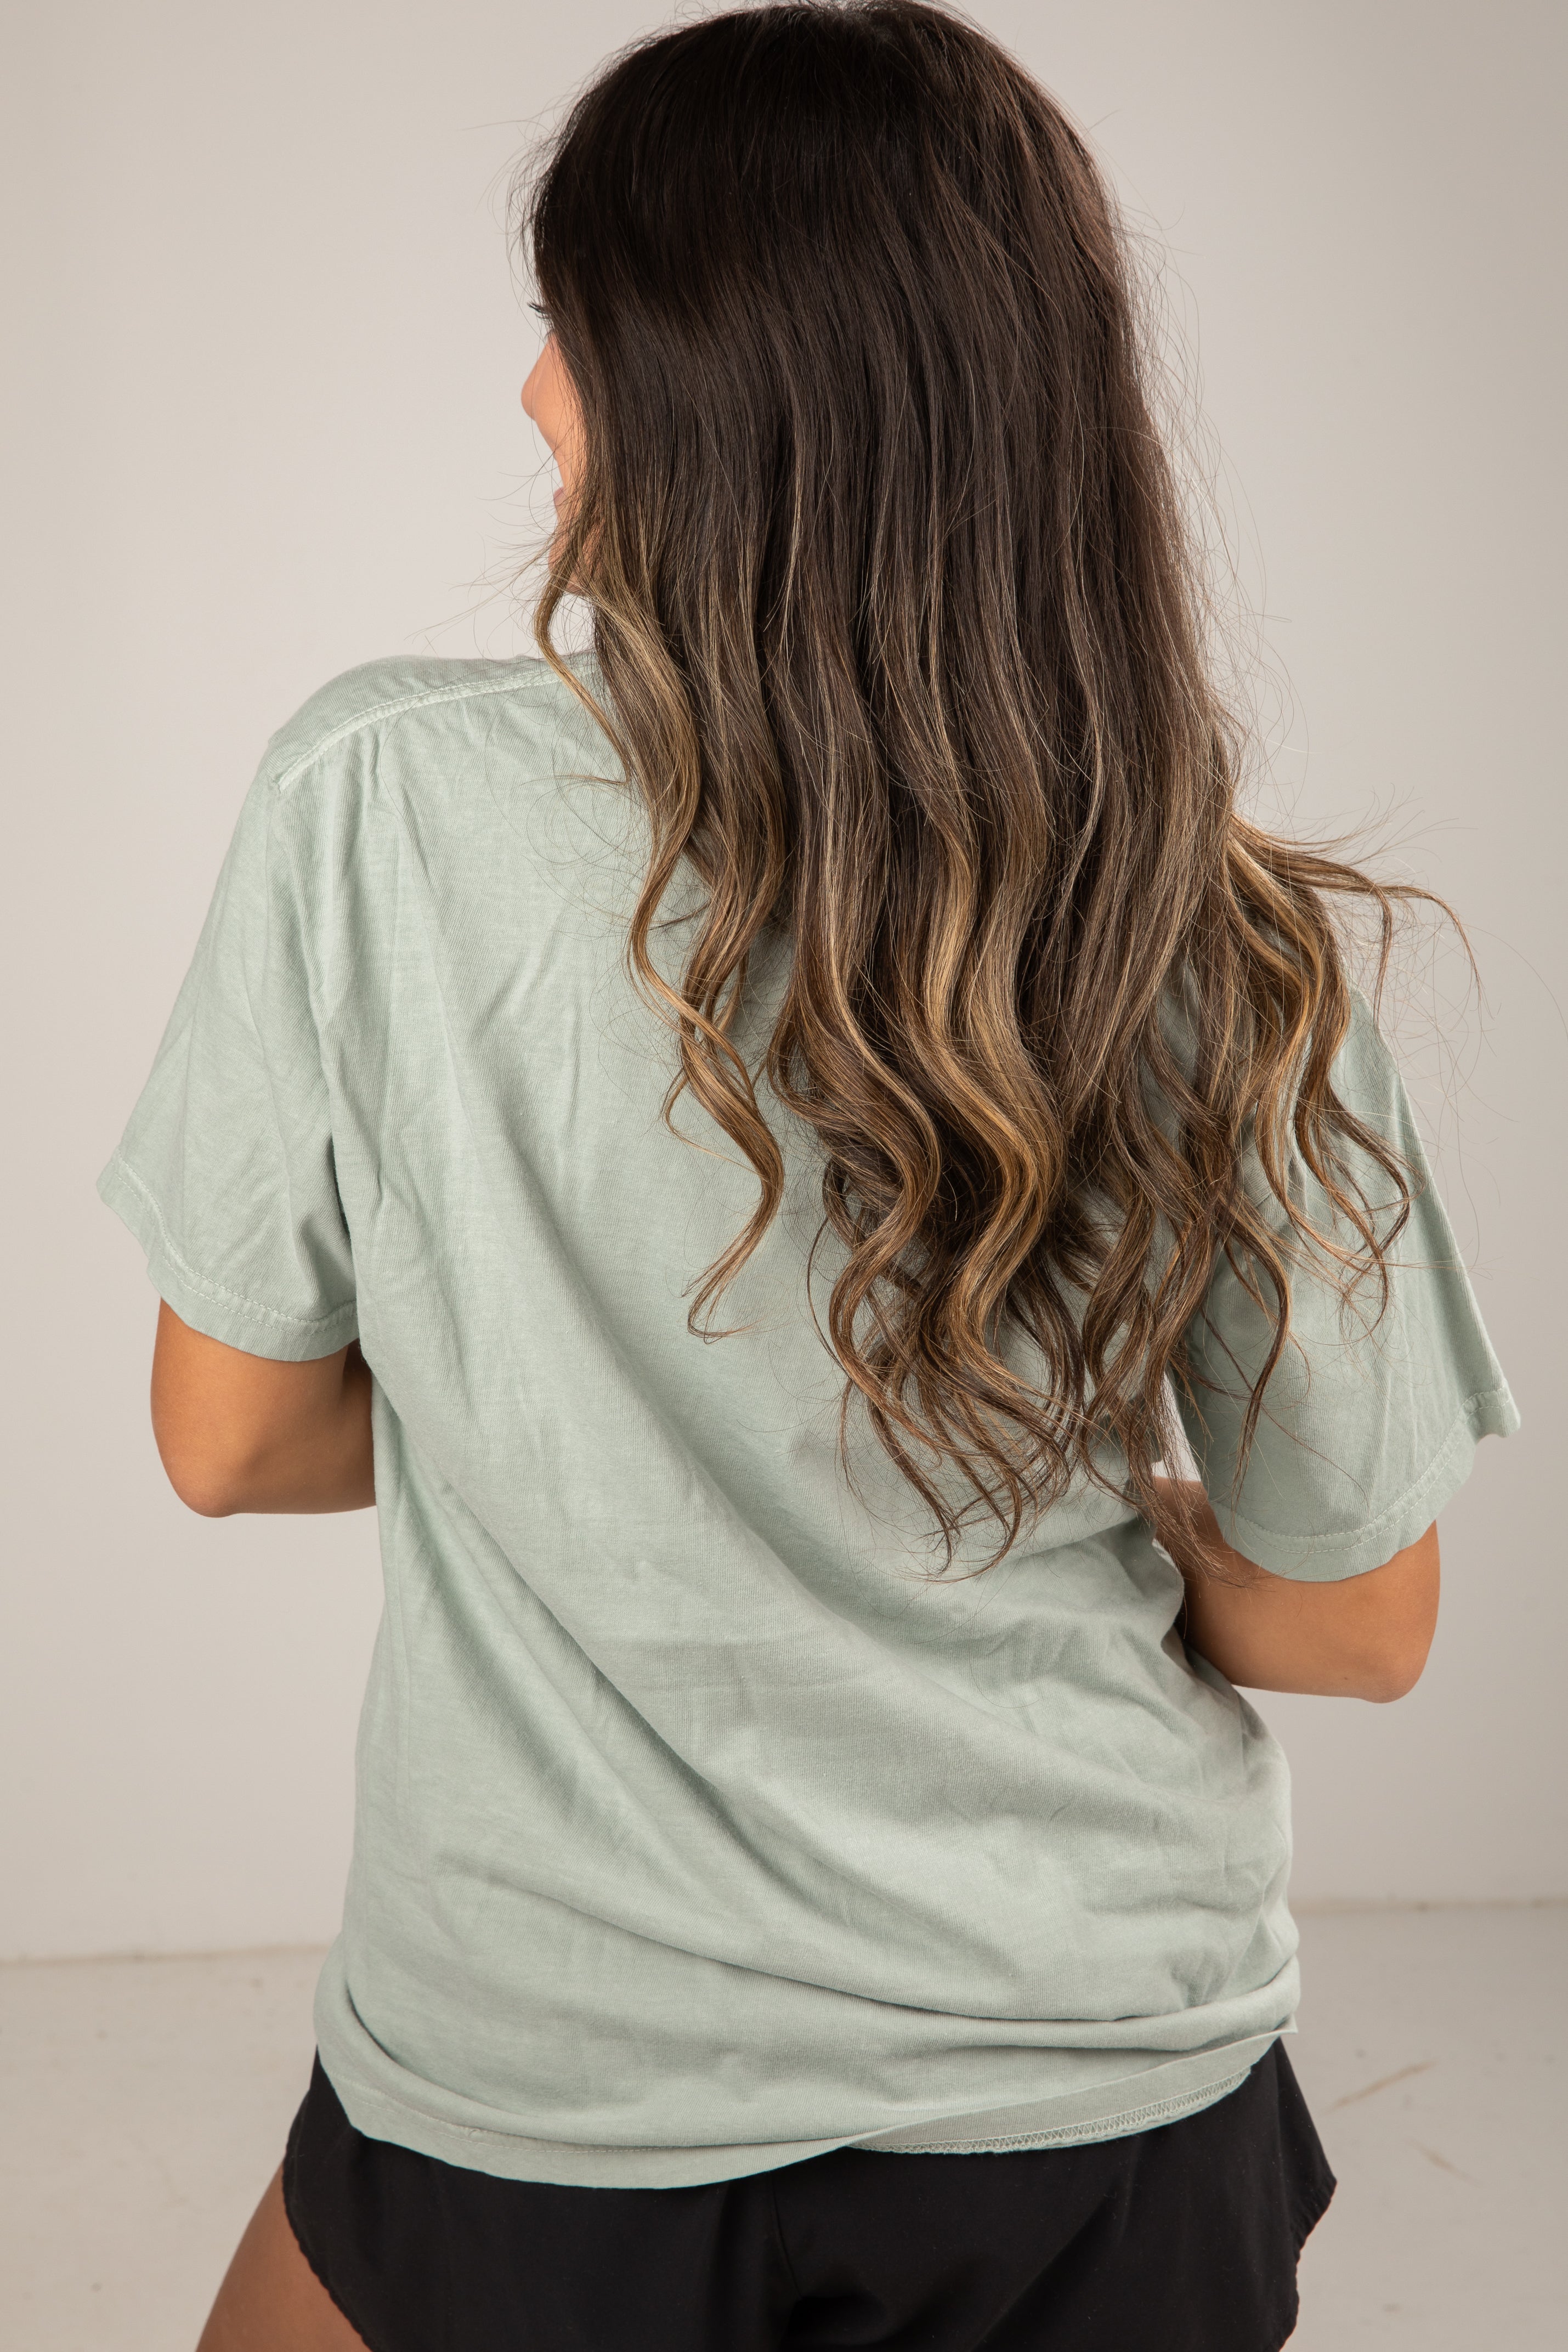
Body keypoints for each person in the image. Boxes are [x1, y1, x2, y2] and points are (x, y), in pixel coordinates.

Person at [99, 5, 1517, 2347]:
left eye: (568, 330)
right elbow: (1351, 1625)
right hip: (1104, 2106)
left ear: (700, 388)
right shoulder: (1216, 929)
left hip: (553, 2081)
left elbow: (226, 1436)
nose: (533, 395)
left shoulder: (372, 804)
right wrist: (1108, 1512)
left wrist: (571, 1438)